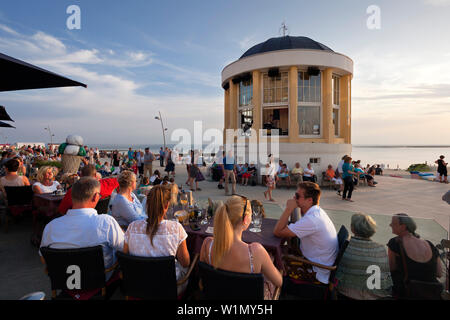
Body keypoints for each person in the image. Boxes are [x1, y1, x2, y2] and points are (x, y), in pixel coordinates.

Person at [39, 177, 124, 287]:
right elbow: (124, 249)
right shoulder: (106, 222)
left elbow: (43, 258)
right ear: (96, 197)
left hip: (64, 281)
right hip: (100, 280)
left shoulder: (51, 227)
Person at [200, 195, 282, 299]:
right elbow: (279, 282)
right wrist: (269, 262)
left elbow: (202, 276)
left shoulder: (207, 244)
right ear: (246, 219)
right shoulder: (256, 252)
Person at [123, 185, 190, 295]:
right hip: (168, 289)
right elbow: (185, 262)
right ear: (167, 205)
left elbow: (125, 255)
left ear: (147, 205)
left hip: (137, 286)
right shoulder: (176, 228)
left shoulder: (132, 227)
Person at [273, 182, 338, 284]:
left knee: (273, 263)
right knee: (281, 252)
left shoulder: (312, 220)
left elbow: (277, 231)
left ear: (309, 200)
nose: (294, 198)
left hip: (315, 271)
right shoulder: (316, 212)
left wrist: (289, 208)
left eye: (298, 196)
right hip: (319, 263)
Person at [335, 213, 393, 300]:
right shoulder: (380, 249)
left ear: (352, 229)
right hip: (376, 296)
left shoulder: (347, 246)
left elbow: (338, 272)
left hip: (348, 294)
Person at [387, 213, 443, 299]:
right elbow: (439, 273)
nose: (390, 225)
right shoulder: (430, 245)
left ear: (403, 226)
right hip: (432, 295)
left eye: (393, 223)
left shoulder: (395, 243)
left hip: (407, 293)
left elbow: (391, 268)